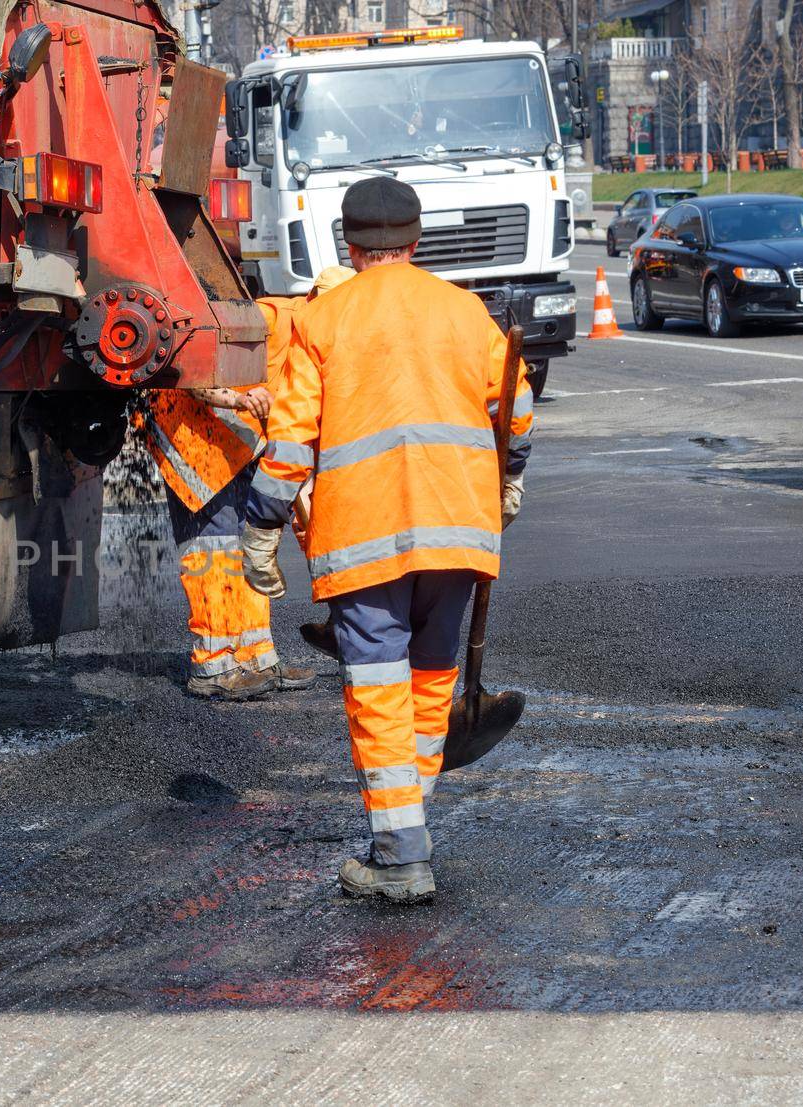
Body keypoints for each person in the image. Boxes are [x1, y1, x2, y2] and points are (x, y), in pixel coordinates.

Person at [238, 177, 532, 902]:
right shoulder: (465, 311)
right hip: (460, 530)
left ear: (349, 243)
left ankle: (400, 856)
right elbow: (516, 409)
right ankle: (409, 825)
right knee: (431, 679)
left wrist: (259, 527)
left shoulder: (322, 320)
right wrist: (511, 478)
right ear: (417, 241)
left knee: (377, 689)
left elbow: (291, 440)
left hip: (366, 537)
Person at [144, 267, 354, 701]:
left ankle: (257, 657)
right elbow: (192, 363)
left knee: (250, 546)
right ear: (318, 302)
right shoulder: (268, 318)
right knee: (214, 547)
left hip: (235, 439)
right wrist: (238, 398)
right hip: (188, 429)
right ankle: (214, 665)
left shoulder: (326, 346)